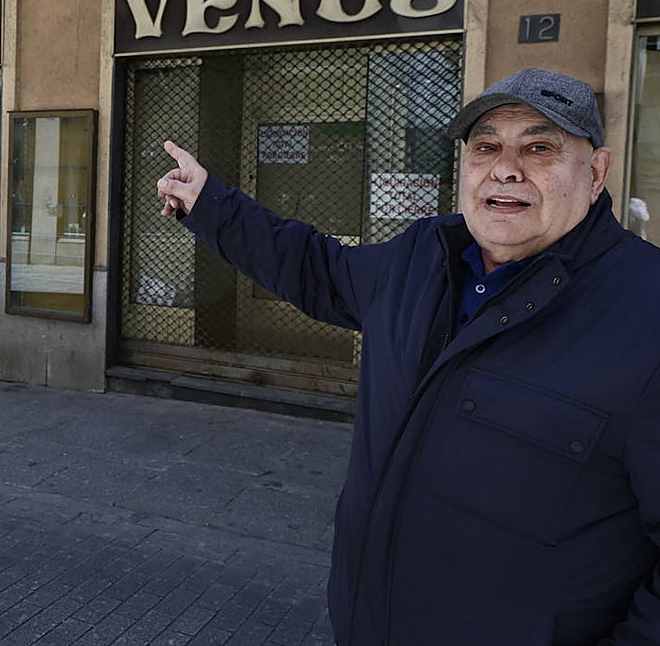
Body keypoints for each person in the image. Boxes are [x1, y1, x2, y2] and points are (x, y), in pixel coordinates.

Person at [156, 67, 660, 646]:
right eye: (485, 146)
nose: (505, 167)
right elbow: (314, 266)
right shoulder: (424, 255)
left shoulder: (647, 314)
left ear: (596, 171)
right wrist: (209, 203)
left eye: (539, 147)